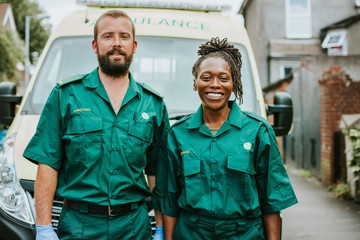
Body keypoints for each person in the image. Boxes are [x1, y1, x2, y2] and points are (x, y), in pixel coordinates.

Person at [23, 10, 169, 240]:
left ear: (134, 45)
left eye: (124, 36)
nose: (117, 43)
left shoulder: (154, 104)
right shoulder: (66, 96)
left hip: (134, 227)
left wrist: (160, 227)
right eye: (108, 36)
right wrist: (43, 226)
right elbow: (47, 164)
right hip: (79, 225)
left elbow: (157, 173)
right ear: (94, 45)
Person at [154, 37, 298, 240]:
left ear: (234, 83)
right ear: (195, 83)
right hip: (191, 234)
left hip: (244, 234)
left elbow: (272, 201)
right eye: (206, 77)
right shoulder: (176, 135)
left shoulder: (258, 131)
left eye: (223, 78)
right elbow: (168, 201)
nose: (214, 85)